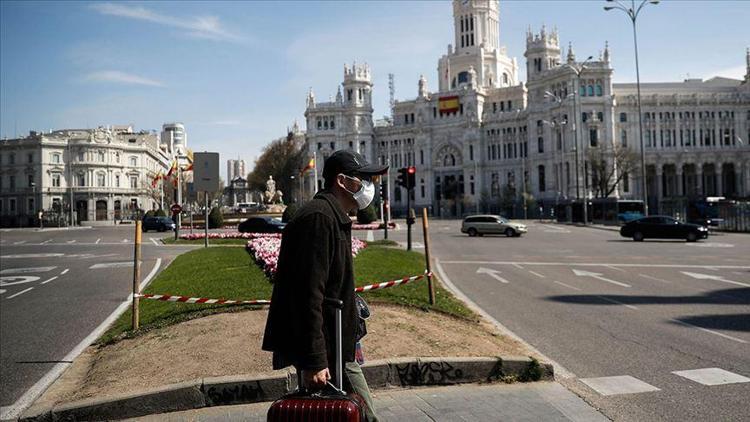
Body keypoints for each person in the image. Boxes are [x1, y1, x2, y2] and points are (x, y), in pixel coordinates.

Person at [262, 150, 386, 422]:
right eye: (362, 178)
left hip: (339, 343)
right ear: (342, 181)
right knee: (364, 416)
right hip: (328, 348)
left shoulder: (332, 215)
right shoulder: (319, 218)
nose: (368, 186)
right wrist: (315, 360)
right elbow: (308, 295)